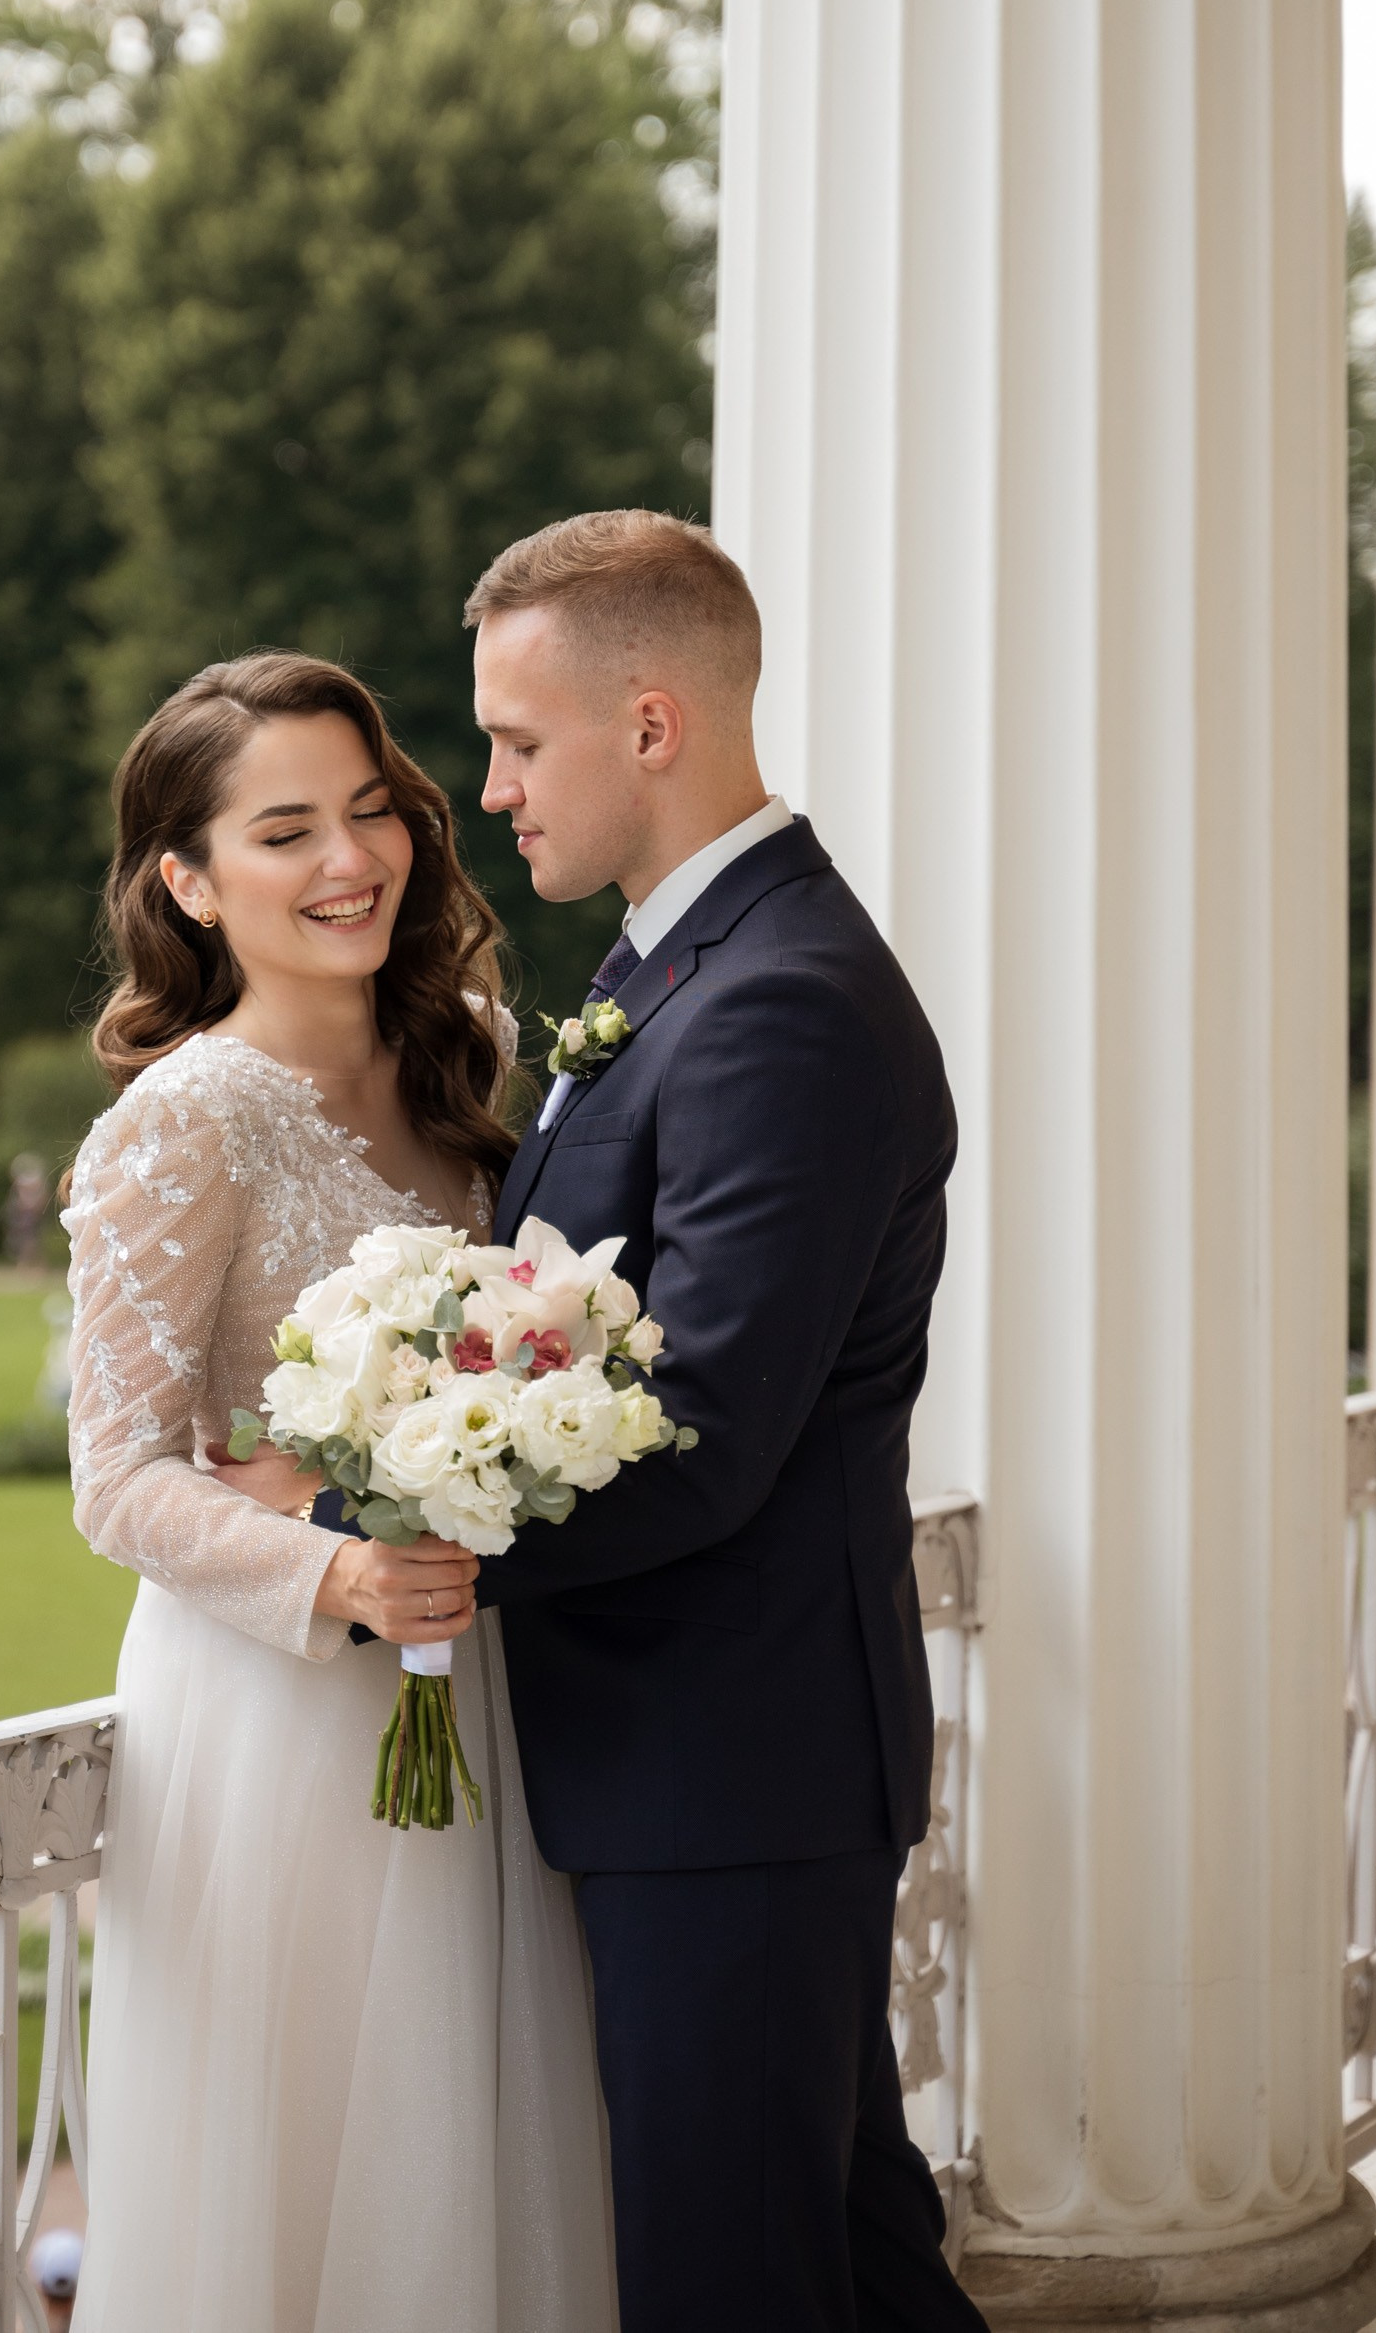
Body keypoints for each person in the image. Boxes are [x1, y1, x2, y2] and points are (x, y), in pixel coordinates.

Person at [448, 510, 986, 2333]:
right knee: (845, 2256)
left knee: (731, 2282)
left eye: (520, 740)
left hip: (730, 1762)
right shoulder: (671, 967)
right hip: (710, 1756)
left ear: (652, 724)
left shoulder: (779, 999)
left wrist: (397, 1527)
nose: (496, 788)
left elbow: (705, 1424)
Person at [63, 651, 615, 2333]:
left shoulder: (472, 1052)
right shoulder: (187, 1120)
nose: (349, 860)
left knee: (474, 2143)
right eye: (285, 828)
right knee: (303, 2173)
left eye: (370, 810)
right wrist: (336, 1569)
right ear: (189, 879)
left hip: (479, 1676)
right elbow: (119, 1476)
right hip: (282, 1716)